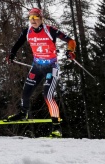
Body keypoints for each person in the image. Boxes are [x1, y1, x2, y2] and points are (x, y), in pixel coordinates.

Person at [5, 8, 77, 138]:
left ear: (41, 18)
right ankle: (23, 113)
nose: (32, 20)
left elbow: (71, 41)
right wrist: (11, 54)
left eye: (35, 17)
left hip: (51, 67)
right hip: (37, 67)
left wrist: (70, 51)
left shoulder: (50, 30)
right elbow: (17, 44)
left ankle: (57, 128)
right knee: (26, 92)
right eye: (30, 18)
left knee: (48, 96)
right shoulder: (27, 32)